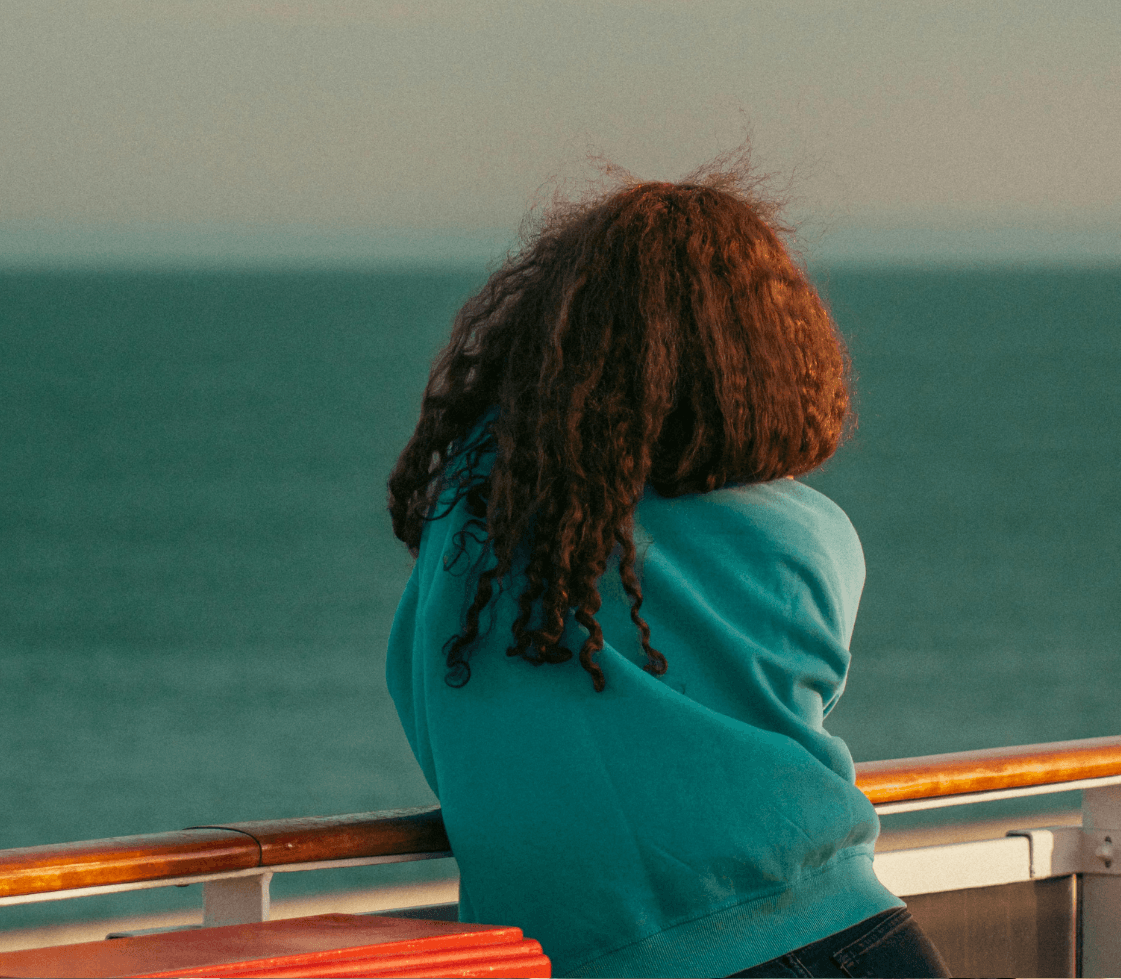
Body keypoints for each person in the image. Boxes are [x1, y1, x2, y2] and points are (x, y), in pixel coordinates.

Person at [383, 167, 950, 978]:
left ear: (559, 331)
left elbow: (424, 702)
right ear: (762, 355)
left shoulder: (477, 518)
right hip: (840, 932)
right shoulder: (807, 534)